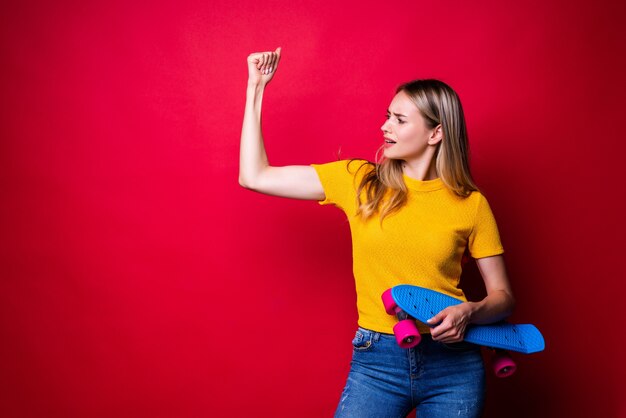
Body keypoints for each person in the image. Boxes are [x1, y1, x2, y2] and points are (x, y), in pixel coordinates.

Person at [239, 47, 516, 418]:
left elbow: (503, 297)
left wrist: (471, 311)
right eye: (388, 117)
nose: (385, 126)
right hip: (378, 362)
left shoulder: (471, 204)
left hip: (455, 365)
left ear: (436, 133)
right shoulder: (361, 182)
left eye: (400, 120)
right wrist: (256, 87)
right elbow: (254, 176)